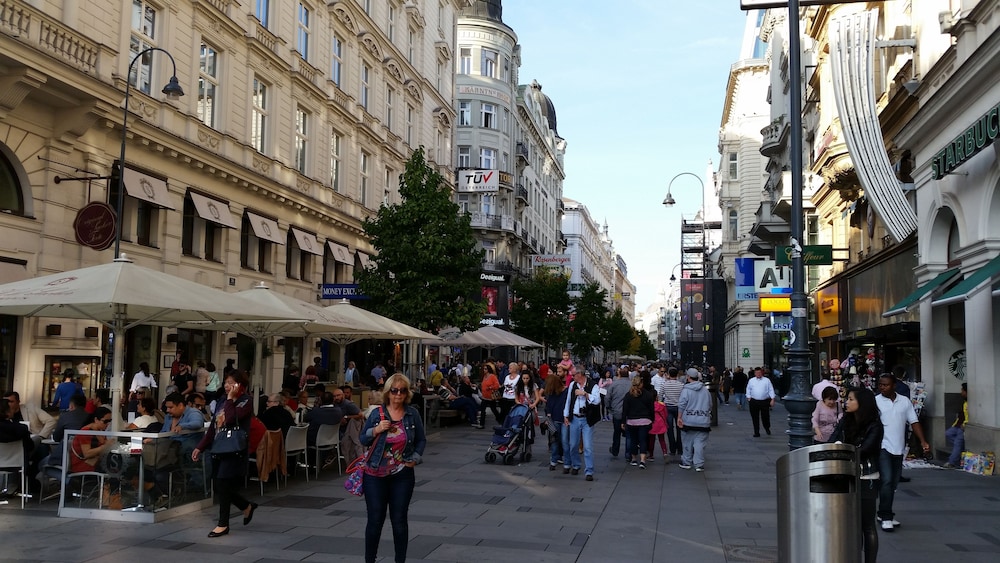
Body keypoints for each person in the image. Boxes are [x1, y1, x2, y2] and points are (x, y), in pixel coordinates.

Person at [360, 373, 426, 563]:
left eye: (402, 391)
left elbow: (421, 439)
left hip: (402, 475)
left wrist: (415, 458)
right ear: (388, 392)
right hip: (374, 474)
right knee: (375, 520)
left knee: (399, 521)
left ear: (407, 394)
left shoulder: (412, 414)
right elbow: (363, 439)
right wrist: (377, 429)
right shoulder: (377, 414)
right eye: (395, 390)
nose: (398, 394)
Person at [193, 370, 258, 538]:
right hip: (219, 447)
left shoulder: (246, 401)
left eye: (231, 383)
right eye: (226, 382)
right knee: (219, 485)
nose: (227, 386)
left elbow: (230, 419)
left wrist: (230, 399)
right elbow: (215, 426)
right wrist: (200, 446)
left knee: (223, 483)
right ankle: (246, 506)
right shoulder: (222, 401)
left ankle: (223, 524)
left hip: (234, 449)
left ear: (240, 385)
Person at [829, 388, 883, 563]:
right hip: (845, 475)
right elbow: (832, 440)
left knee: (867, 525)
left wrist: (843, 451)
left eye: (851, 399)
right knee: (850, 525)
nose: (847, 402)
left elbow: (866, 449)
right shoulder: (846, 421)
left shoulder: (874, 425)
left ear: (862, 403)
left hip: (866, 476)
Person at [875, 373, 930, 532]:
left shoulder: (904, 401)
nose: (882, 387)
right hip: (882, 447)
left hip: (898, 448)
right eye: (880, 384)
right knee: (886, 481)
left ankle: (882, 512)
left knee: (892, 483)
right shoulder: (876, 401)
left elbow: (914, 421)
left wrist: (923, 441)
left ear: (894, 386)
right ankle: (886, 516)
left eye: (885, 385)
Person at [561, 368, 601, 481]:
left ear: (580, 374)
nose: (572, 377)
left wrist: (585, 394)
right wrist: (566, 415)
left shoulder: (593, 385)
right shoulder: (573, 385)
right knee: (573, 444)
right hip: (575, 418)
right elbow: (568, 400)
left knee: (588, 446)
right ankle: (576, 464)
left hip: (587, 419)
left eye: (573, 375)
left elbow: (597, 400)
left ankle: (589, 471)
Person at [677, 368, 711, 471]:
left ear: (688, 377)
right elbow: (710, 404)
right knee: (700, 443)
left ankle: (686, 462)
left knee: (687, 442)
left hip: (688, 420)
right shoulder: (705, 390)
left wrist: (679, 417)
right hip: (703, 420)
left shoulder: (686, 390)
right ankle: (699, 464)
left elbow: (682, 405)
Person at [622, 376, 655, 469]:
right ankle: (643, 460)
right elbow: (651, 409)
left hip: (632, 421)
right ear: (641, 384)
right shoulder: (648, 395)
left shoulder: (628, 395)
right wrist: (652, 419)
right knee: (643, 440)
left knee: (633, 440)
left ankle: (633, 459)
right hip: (645, 421)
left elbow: (625, 410)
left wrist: (623, 421)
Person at [305, 391, 344, 468]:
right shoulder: (338, 411)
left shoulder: (316, 411)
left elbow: (306, 418)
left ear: (321, 400)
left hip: (316, 440)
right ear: (333, 400)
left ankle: (311, 464)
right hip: (333, 438)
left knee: (305, 437)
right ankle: (327, 456)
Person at [69, 407, 113, 474]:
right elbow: (87, 453)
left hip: (96, 462)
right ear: (96, 419)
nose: (108, 424)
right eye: (105, 421)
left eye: (109, 421)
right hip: (83, 465)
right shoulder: (86, 432)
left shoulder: (100, 431)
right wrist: (105, 446)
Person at [606, 367, 632, 459]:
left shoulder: (614, 384)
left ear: (620, 374)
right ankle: (628, 454)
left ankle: (615, 450)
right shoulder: (632, 384)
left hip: (617, 411)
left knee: (616, 433)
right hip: (629, 412)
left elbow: (607, 397)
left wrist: (609, 408)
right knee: (629, 434)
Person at [543, 374, 566, 471]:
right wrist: (548, 417)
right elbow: (548, 407)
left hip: (563, 420)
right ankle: (554, 459)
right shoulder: (551, 393)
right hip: (556, 419)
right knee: (556, 440)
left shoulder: (565, 392)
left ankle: (560, 459)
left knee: (563, 441)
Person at [661, 367, 685, 457]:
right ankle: (680, 448)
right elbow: (683, 397)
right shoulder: (681, 385)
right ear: (677, 375)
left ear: (668, 375)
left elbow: (660, 397)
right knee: (679, 428)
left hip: (668, 407)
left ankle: (672, 449)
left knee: (669, 429)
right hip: (678, 407)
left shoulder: (664, 384)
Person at [746, 367, 776, 437]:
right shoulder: (751, 380)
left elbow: (771, 389)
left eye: (759, 373)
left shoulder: (766, 380)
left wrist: (772, 399)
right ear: (755, 373)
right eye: (757, 373)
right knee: (754, 417)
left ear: (762, 373)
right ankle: (756, 432)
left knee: (765, 416)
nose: (758, 374)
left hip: (764, 401)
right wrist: (748, 397)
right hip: (754, 401)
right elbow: (748, 389)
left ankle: (767, 427)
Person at [944, 383, 967, 469]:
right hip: (958, 424)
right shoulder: (964, 402)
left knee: (958, 442)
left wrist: (965, 424)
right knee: (948, 434)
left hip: (963, 426)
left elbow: (968, 416)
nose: (961, 392)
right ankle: (959, 450)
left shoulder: (968, 403)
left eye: (962, 390)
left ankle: (952, 462)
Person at [477, 363, 501, 429]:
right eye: (484, 369)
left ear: (488, 370)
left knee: (494, 410)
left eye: (485, 369)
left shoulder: (492, 376)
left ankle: (500, 421)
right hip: (484, 396)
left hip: (491, 397)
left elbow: (497, 385)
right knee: (482, 410)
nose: (484, 370)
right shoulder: (484, 377)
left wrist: (490, 387)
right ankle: (482, 424)